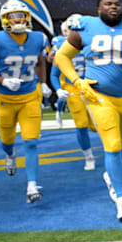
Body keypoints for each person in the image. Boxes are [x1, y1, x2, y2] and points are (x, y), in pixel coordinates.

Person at [54, 0, 122, 220]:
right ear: (98, 8)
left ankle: (112, 177)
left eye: (117, 3)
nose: (113, 6)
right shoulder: (85, 26)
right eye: (108, 4)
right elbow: (62, 57)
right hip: (99, 97)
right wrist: (76, 80)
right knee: (111, 145)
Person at [0, 0, 52, 203]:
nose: (17, 19)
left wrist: (43, 83)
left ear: (27, 17)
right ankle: (10, 155)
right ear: (4, 19)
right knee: (7, 140)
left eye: (20, 15)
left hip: (30, 96)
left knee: (31, 142)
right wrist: (3, 80)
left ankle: (32, 186)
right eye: (11, 16)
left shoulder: (38, 38)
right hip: (6, 98)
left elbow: (40, 62)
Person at [49, 15, 97, 170]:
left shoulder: (94, 41)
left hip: (94, 87)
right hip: (73, 88)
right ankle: (88, 156)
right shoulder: (63, 45)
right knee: (82, 124)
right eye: (74, 29)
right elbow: (54, 74)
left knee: (98, 125)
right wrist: (58, 89)